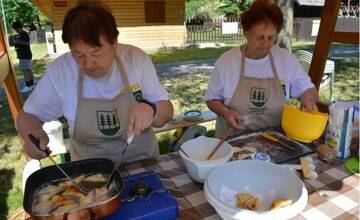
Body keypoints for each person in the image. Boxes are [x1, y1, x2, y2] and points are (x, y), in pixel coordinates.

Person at [16, 1, 173, 163]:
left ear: (114, 43)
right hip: (89, 171)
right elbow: (26, 116)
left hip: (141, 163)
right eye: (79, 55)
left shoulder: (135, 59)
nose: (89, 64)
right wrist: (32, 133)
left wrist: (151, 109)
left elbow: (166, 113)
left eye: (96, 53)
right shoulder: (60, 71)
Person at [205, 0, 318, 138]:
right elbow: (212, 99)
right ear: (245, 32)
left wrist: (309, 99)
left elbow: (307, 89)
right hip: (233, 142)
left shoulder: (286, 60)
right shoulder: (226, 62)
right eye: (260, 37)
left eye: (271, 38)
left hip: (276, 140)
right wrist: (225, 112)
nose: (265, 43)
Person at [12, 21, 34, 93]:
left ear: (19, 28)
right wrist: (16, 42)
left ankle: (28, 86)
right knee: (27, 69)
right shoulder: (19, 34)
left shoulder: (24, 34)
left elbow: (27, 43)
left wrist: (19, 42)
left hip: (25, 55)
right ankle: (31, 84)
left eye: (16, 29)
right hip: (22, 55)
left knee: (25, 70)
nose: (16, 31)